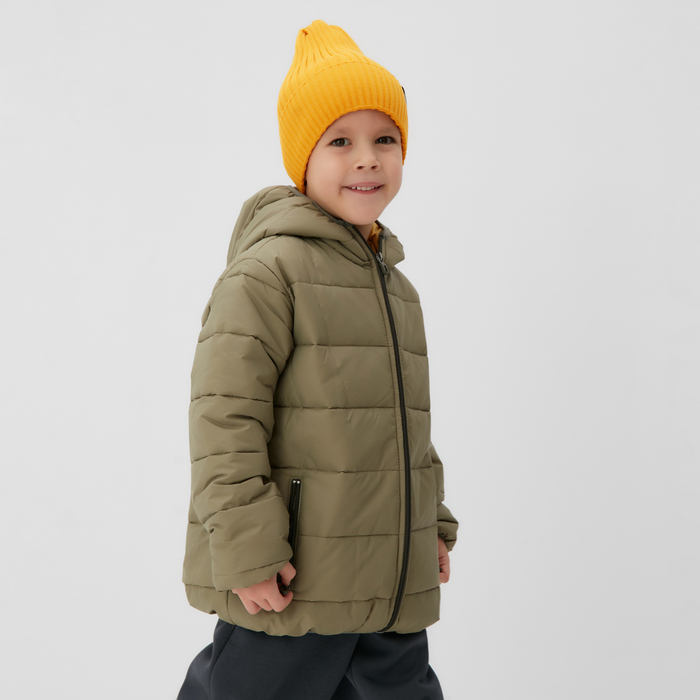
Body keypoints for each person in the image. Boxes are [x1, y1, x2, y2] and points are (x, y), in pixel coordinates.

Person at [178, 19, 459, 700]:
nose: (368, 159)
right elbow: (223, 422)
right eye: (340, 141)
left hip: (389, 582)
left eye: (385, 139)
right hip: (299, 583)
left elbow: (404, 427)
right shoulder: (267, 275)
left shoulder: (396, 287)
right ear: (302, 156)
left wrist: (432, 523)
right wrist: (246, 546)